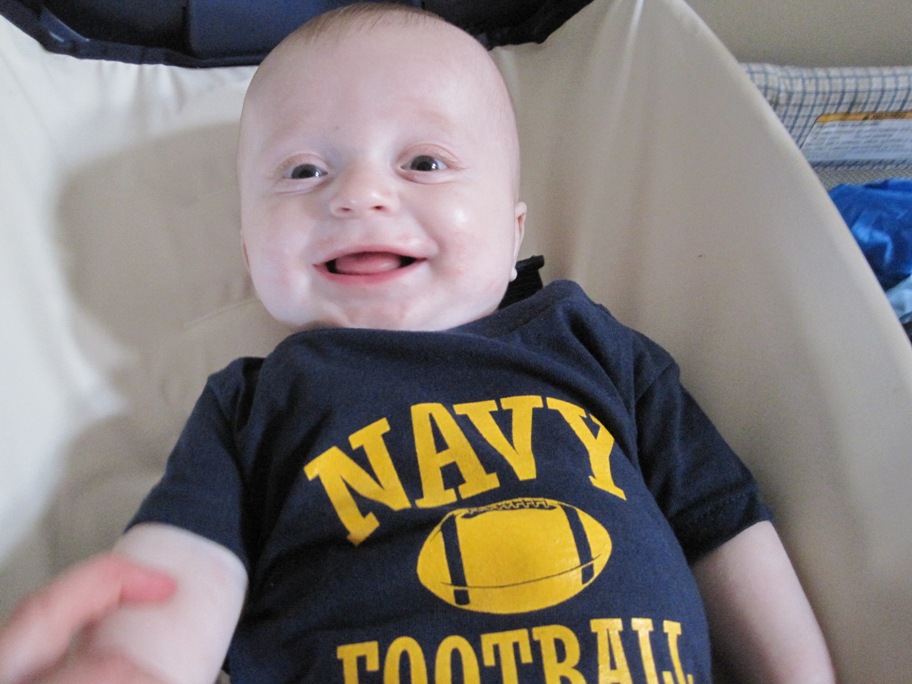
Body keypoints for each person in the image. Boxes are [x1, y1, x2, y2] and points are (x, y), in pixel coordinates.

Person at [0, 4, 835, 683]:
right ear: (251, 253)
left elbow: (721, 522)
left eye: (426, 163)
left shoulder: (591, 346)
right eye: (303, 171)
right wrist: (140, 661)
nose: (361, 194)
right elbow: (190, 560)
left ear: (513, 230)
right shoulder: (259, 402)